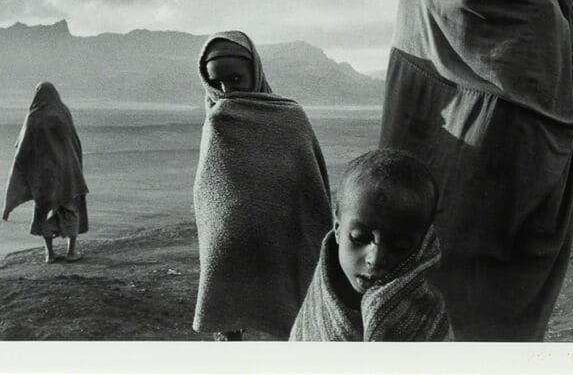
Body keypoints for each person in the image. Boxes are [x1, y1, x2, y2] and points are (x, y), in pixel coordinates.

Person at [379, 0, 573, 341]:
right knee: (447, 313)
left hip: (533, 174)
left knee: (510, 325)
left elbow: (562, 65)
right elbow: (413, 86)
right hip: (458, 180)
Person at [192, 30, 333, 341]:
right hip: (230, 242)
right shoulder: (216, 118)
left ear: (254, 71)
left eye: (236, 79)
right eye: (217, 83)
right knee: (228, 316)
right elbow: (209, 190)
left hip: (281, 232)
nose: (227, 90)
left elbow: (308, 181)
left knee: (291, 315)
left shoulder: (289, 116)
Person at [290, 149, 452, 341]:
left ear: (421, 247)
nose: (375, 259)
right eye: (360, 238)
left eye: (399, 247)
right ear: (337, 229)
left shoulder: (427, 315)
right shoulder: (319, 301)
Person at [2, 81, 89, 264]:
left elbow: (22, 147)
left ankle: (49, 254)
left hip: (44, 175)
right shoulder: (62, 112)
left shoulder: (33, 116)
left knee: (45, 210)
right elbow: (73, 141)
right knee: (70, 209)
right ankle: (71, 251)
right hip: (66, 172)